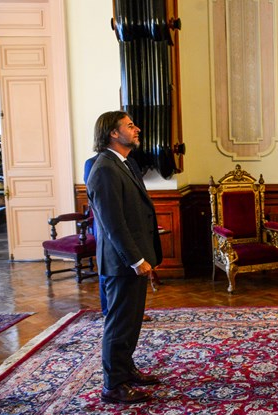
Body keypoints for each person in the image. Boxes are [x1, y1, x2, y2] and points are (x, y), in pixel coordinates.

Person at [87, 111, 163, 404]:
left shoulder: (125, 163)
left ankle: (126, 369)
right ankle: (113, 386)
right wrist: (135, 260)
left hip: (132, 259)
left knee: (130, 322)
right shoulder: (104, 169)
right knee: (119, 323)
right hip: (121, 263)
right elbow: (113, 223)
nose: (137, 129)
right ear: (112, 134)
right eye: (130, 126)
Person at [84, 155, 153, 322]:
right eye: (129, 126)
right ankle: (109, 310)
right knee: (109, 269)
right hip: (106, 227)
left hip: (127, 226)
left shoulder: (130, 162)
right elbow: (98, 201)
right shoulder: (95, 164)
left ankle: (133, 311)